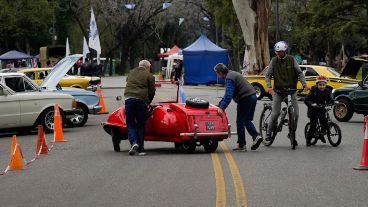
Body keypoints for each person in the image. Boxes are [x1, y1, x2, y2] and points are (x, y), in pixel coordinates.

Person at [265, 41, 309, 146]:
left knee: (296, 114)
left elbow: (299, 73)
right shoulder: (274, 61)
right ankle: (268, 132)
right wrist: (269, 87)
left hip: (291, 91)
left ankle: (291, 133)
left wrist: (304, 84)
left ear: (285, 51)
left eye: (280, 52)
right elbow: (268, 75)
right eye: (277, 52)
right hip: (278, 92)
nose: (278, 54)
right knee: (275, 113)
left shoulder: (291, 59)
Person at [214, 63, 263, 151]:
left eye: (217, 73)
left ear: (220, 72)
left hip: (245, 98)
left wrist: (222, 108)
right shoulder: (233, 73)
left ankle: (241, 145)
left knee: (240, 121)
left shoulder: (229, 78)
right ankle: (256, 136)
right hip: (253, 96)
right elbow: (227, 95)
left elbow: (229, 95)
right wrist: (219, 104)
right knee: (247, 120)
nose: (217, 75)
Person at [124, 60, 156, 156]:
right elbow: (152, 91)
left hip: (129, 98)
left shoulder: (131, 72)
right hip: (141, 100)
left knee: (130, 123)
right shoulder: (149, 75)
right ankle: (141, 150)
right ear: (147, 67)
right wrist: (148, 102)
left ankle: (133, 142)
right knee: (141, 125)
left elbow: (128, 81)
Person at [304, 76, 333, 146]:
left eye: (323, 85)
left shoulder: (327, 91)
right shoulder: (313, 90)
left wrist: (334, 102)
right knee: (313, 126)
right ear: (317, 85)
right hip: (313, 110)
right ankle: (308, 140)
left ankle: (321, 134)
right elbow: (306, 99)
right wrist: (311, 104)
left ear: (325, 85)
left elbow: (329, 100)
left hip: (321, 109)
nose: (322, 86)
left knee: (324, 122)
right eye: (320, 85)